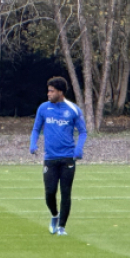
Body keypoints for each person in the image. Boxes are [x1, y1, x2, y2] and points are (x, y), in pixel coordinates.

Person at [29, 76, 87, 236]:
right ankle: (55, 215)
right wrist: (33, 144)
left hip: (68, 157)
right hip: (50, 157)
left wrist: (78, 149)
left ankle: (62, 227)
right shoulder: (43, 108)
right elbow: (36, 129)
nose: (48, 93)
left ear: (60, 92)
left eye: (51, 91)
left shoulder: (73, 109)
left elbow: (83, 132)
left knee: (66, 192)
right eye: (48, 91)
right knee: (49, 192)